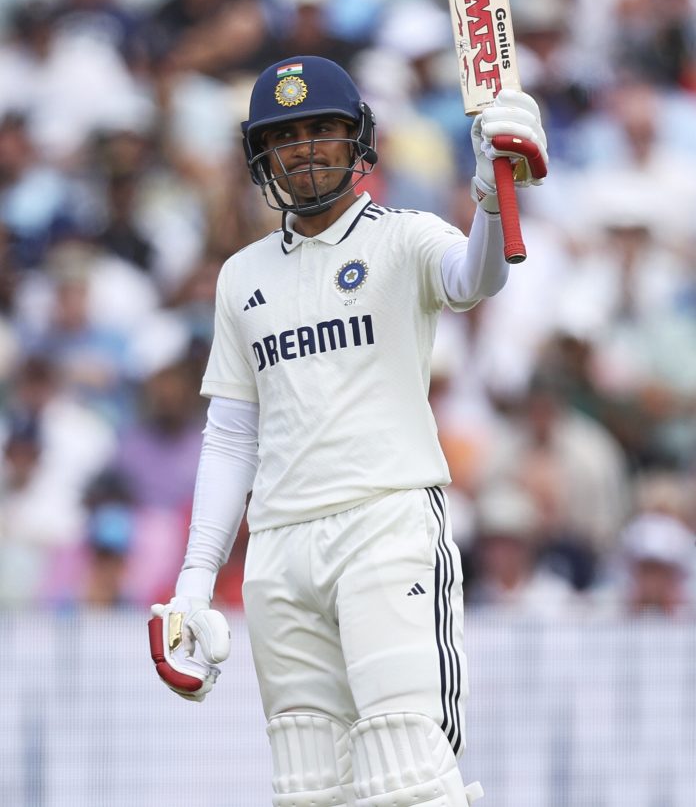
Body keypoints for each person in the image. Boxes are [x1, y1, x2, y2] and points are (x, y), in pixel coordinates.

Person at [148, 55, 548, 806]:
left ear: (358, 140)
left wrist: (490, 196)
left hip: (384, 523)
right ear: (260, 156)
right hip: (278, 547)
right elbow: (231, 434)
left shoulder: (403, 238)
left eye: (321, 130)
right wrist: (194, 584)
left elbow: (475, 279)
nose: (303, 150)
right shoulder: (241, 276)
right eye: (283, 136)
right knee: (309, 789)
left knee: (408, 777)